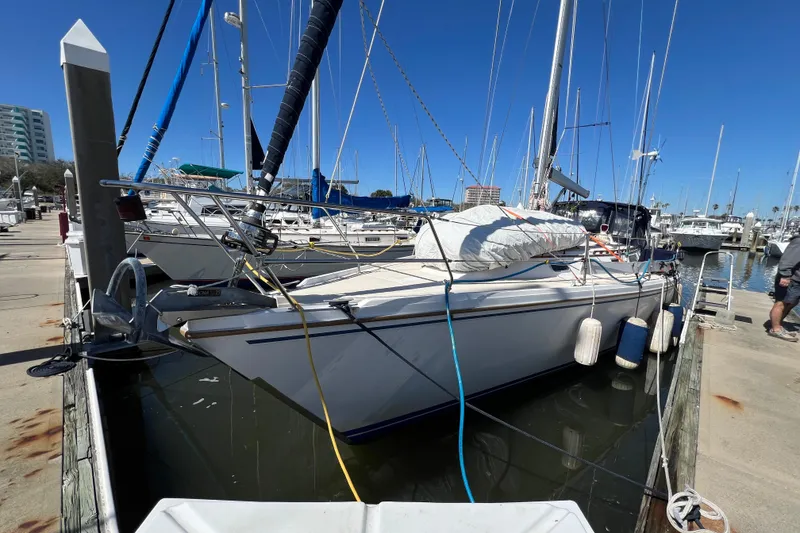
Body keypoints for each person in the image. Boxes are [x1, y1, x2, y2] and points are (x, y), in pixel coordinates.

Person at [769, 235, 800, 341]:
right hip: (790, 279)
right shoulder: (798, 241)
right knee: (781, 303)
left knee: (792, 302)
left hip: (797, 280)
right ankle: (775, 329)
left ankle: (778, 325)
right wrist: (785, 276)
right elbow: (787, 260)